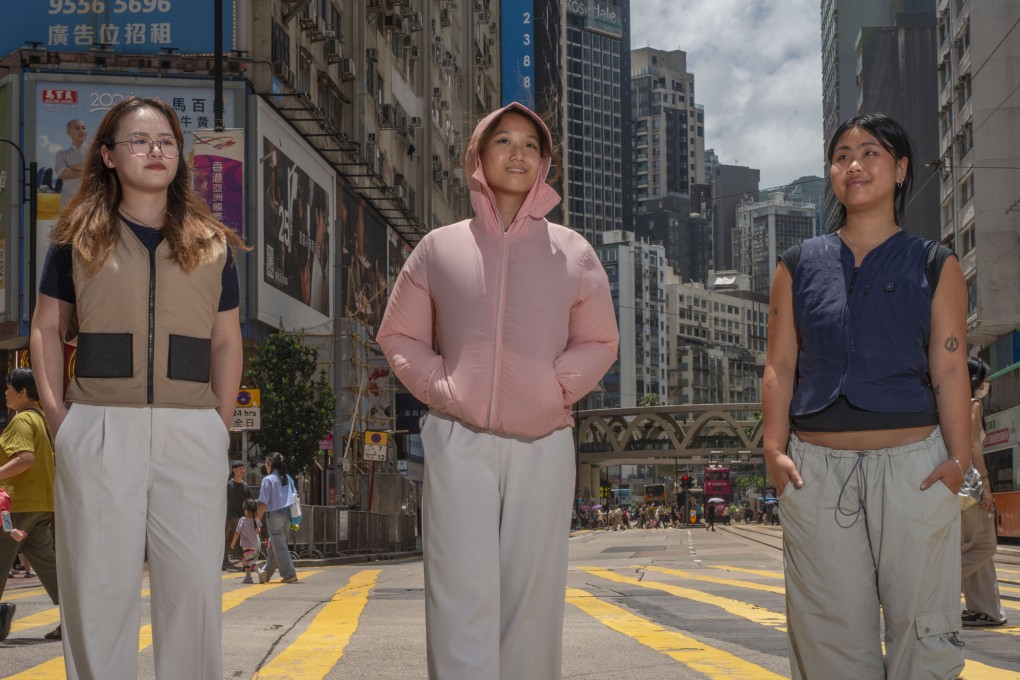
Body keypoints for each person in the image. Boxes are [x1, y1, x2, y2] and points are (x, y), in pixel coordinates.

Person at [377, 101, 619, 680]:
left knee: (533, 598)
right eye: (503, 141)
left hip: (544, 441)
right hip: (459, 438)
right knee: (458, 592)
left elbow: (599, 341)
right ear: (478, 158)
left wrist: (552, 389)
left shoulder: (574, 251)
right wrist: (443, 387)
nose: (518, 153)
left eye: (531, 145)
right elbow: (399, 333)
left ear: (545, 164)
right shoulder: (439, 247)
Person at [30, 96, 244, 680]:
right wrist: (59, 420)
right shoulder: (76, 237)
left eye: (168, 141)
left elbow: (226, 342)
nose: (156, 151)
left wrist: (216, 424)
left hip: (192, 429)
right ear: (107, 155)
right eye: (140, 141)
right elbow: (47, 327)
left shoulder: (212, 242)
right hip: (98, 426)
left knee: (195, 594)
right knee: (97, 593)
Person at [763, 112, 970, 680]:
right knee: (828, 638)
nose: (854, 164)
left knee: (924, 634)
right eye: (842, 156)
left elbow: (951, 370)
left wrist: (959, 462)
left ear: (902, 169)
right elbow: (780, 365)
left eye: (871, 152)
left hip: (914, 469)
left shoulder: (936, 262)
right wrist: (775, 452)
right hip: (816, 471)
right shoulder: (797, 265)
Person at [0, 368, 62, 641]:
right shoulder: (42, 420)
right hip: (40, 504)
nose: (5, 392)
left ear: (23, 392)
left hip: (17, 506)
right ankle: (78, 617)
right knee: (48, 565)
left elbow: (25, 458)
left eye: (8, 387)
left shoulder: (22, 420)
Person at [960, 357, 1007, 627]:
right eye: (985, 378)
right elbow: (974, 447)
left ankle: (985, 610)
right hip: (972, 486)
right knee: (986, 546)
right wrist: (986, 486)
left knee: (972, 547)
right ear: (974, 380)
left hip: (958, 488)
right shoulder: (973, 404)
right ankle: (938, 583)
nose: (987, 384)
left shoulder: (948, 405)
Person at [255, 452, 298, 584]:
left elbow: (263, 503)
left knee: (279, 546)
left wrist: (257, 521)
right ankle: (266, 573)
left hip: (274, 515)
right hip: (288, 514)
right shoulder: (286, 478)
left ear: (269, 464)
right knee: (275, 545)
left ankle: (290, 573)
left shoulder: (268, 480)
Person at [225, 459, 253, 570]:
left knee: (230, 537)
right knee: (242, 534)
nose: (242, 470)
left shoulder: (245, 486)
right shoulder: (229, 485)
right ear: (234, 470)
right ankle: (246, 560)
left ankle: (221, 559)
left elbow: (249, 500)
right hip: (232, 515)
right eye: (239, 469)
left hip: (243, 516)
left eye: (243, 468)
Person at [55, 119, 88, 211]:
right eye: (77, 128)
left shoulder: (95, 151)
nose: (82, 131)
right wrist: (88, 169)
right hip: (68, 201)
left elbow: (97, 169)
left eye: (83, 128)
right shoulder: (62, 154)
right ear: (68, 132)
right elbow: (62, 173)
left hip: (90, 200)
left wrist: (70, 167)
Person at [230, 498, 262, 584]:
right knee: (245, 560)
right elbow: (258, 530)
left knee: (248, 561)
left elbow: (237, 532)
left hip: (247, 546)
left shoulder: (242, 520)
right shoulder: (256, 520)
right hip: (255, 545)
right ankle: (248, 578)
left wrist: (233, 543)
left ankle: (259, 571)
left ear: (246, 510)